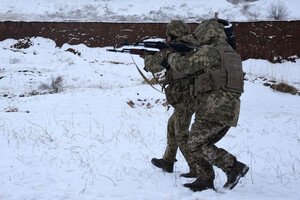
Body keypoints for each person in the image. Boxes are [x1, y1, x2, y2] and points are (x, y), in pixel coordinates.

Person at [163, 19, 249, 192]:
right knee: (202, 143)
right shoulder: (232, 54)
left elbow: (184, 66)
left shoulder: (211, 51)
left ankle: (233, 166)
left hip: (213, 107)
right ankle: (205, 179)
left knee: (194, 144)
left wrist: (170, 56)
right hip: (231, 109)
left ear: (206, 34)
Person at [142, 20, 197, 178]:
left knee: (181, 133)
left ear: (172, 34)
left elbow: (152, 66)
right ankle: (168, 160)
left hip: (184, 98)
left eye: (169, 35)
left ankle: (196, 168)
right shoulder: (191, 46)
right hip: (189, 97)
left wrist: (147, 56)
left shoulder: (174, 49)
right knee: (172, 125)